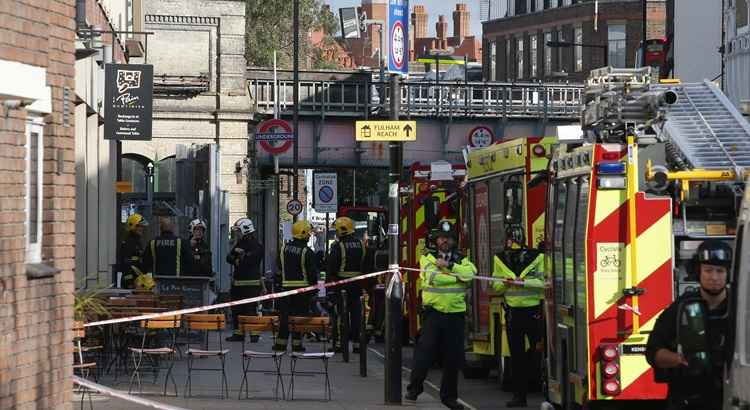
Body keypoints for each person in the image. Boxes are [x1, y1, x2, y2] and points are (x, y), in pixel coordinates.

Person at [645, 239, 732, 410]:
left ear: (728, 273)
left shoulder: (740, 309)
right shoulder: (680, 308)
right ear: (698, 272)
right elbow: (653, 352)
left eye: (720, 271)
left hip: (729, 398)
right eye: (708, 270)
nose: (714, 277)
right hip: (687, 399)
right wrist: (680, 359)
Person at [405, 220, 476, 410]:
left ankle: (449, 397)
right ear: (436, 240)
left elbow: (470, 275)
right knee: (425, 352)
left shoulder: (461, 259)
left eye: (449, 238)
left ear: (454, 240)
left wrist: (449, 266)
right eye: (442, 238)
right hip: (434, 314)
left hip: (455, 315)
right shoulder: (427, 257)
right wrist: (456, 278)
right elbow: (432, 277)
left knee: (453, 358)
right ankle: (414, 388)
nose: (445, 241)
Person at [491, 227, 545, 408]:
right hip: (513, 313)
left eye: (510, 240)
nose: (508, 243)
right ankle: (519, 397)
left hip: (534, 312)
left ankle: (543, 387)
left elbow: (544, 283)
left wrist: (523, 282)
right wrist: (505, 283)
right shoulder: (500, 259)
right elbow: (495, 286)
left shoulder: (537, 258)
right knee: (516, 357)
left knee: (539, 350)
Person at [273, 220, 319, 352]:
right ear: (303, 233)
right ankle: (297, 344)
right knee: (299, 319)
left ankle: (280, 344)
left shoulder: (284, 249)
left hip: (285, 290)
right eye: (308, 233)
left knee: (284, 317)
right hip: (302, 291)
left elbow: (280, 268)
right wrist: (314, 291)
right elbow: (312, 275)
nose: (309, 236)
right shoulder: (307, 252)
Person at [327, 217, 367, 353]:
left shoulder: (338, 246)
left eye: (337, 230)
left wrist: (330, 286)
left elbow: (331, 266)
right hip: (357, 285)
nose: (336, 233)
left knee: (340, 315)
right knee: (356, 315)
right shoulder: (361, 244)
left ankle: (339, 344)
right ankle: (357, 344)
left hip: (341, 286)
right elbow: (366, 265)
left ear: (342, 230)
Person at [225, 218, 265, 342]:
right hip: (237, 284)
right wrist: (238, 258)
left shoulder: (257, 246)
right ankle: (238, 334)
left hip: (251, 285)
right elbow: (229, 257)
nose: (237, 234)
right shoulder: (240, 243)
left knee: (251, 310)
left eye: (239, 231)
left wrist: (240, 258)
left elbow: (250, 262)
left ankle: (254, 335)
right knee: (237, 310)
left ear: (245, 230)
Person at [120, 213, 149, 289]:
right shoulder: (129, 242)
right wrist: (130, 283)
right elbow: (126, 264)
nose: (142, 228)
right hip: (131, 283)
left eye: (142, 226)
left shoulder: (137, 241)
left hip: (137, 281)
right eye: (140, 226)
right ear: (133, 226)